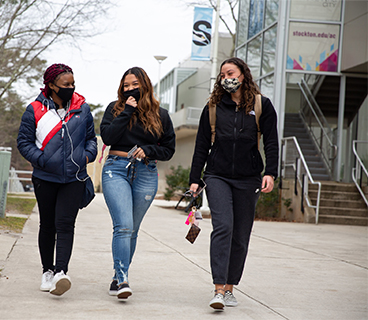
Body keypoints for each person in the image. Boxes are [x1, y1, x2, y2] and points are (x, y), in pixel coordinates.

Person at [189, 57, 279, 311]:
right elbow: (201, 146)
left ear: (242, 75)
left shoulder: (262, 105)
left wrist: (270, 172)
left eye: (230, 72)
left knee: (240, 235)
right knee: (223, 227)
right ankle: (218, 288)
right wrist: (195, 179)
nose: (226, 77)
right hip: (217, 175)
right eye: (222, 74)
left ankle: (230, 287)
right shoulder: (214, 107)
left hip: (248, 177)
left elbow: (271, 141)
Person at [17, 63, 97, 296]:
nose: (71, 88)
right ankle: (47, 271)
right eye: (65, 85)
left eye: (73, 84)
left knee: (65, 224)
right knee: (48, 225)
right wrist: (41, 160)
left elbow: (91, 138)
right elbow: (24, 142)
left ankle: (61, 272)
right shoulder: (34, 109)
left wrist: (86, 156)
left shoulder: (82, 108)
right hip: (45, 177)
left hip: (74, 177)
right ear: (51, 85)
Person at [100, 67, 176, 299]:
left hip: (146, 172)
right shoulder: (114, 109)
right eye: (125, 85)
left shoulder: (160, 114)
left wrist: (149, 150)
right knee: (122, 225)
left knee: (132, 229)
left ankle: (118, 275)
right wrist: (127, 110)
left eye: (134, 84)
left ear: (145, 84)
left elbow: (168, 149)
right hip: (116, 170)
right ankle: (123, 279)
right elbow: (108, 138)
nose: (130, 88)